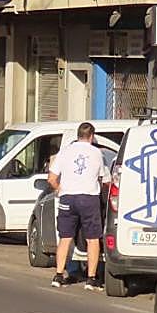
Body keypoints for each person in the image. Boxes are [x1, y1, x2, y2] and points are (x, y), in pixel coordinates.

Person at [47, 122, 108, 290]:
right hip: (89, 198)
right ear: (91, 136)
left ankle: (58, 275)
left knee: (65, 238)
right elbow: (103, 179)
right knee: (92, 239)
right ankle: (91, 278)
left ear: (78, 135)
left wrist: (61, 189)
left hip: (68, 197)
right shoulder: (97, 153)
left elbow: (51, 179)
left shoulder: (65, 152)